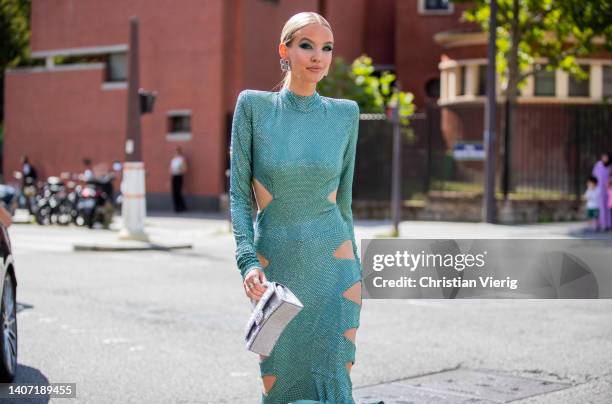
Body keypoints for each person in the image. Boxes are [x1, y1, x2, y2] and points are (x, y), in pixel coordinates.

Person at [229, 12, 362, 403]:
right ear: (284, 50)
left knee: (335, 381)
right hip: (278, 275)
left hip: (337, 271)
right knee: (282, 387)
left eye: (327, 48)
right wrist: (246, 259)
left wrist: (356, 267)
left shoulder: (345, 114)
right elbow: (239, 195)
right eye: (307, 45)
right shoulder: (254, 107)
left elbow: (346, 202)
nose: (318, 56)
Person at [591, 152, 610, 231]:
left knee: (608, 208)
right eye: (603, 157)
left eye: (606, 157)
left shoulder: (610, 166)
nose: (604, 159)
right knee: (598, 207)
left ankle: (608, 224)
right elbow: (594, 176)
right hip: (599, 190)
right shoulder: (598, 165)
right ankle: (598, 224)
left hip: (608, 191)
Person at [169, 146, 188, 212]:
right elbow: (170, 169)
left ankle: (182, 207)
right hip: (174, 176)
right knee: (174, 192)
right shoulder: (173, 159)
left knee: (178, 192)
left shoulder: (181, 159)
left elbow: (185, 169)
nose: (176, 152)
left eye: (177, 151)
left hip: (179, 176)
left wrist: (180, 169)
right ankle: (176, 208)